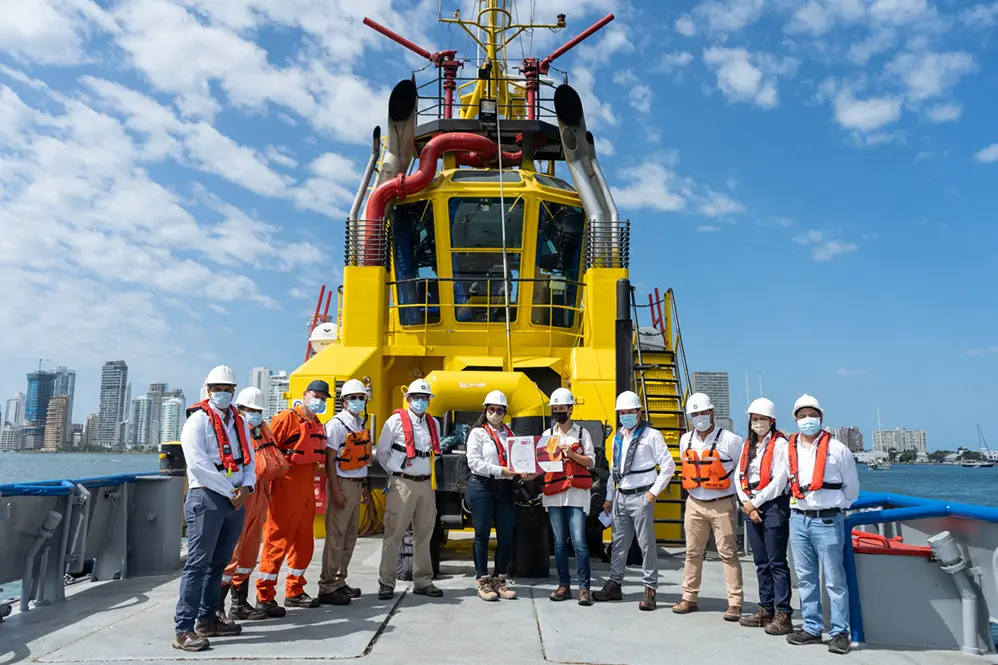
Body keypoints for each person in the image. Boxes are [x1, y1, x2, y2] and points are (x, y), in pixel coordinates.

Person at [173, 366, 255, 652]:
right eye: (216, 388)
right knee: (197, 564)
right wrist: (231, 491)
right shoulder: (197, 421)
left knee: (219, 564)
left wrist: (247, 488)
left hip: (235, 499)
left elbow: (250, 460)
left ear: (233, 391)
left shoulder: (241, 423)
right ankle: (184, 629)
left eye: (227, 388)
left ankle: (208, 620)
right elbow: (198, 464)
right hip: (206, 497)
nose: (222, 392)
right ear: (208, 390)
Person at [784, 394, 859, 655]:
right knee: (805, 578)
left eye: (811, 415)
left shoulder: (839, 450)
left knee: (834, 579)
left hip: (827, 520)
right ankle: (812, 628)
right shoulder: (788, 449)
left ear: (821, 418)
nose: (807, 420)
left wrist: (837, 507)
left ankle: (839, 632)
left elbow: (852, 489)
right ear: (795, 420)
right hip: (798, 520)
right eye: (802, 416)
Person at [593, 390, 676, 611]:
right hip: (621, 495)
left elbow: (668, 466)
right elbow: (614, 470)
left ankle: (649, 588)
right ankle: (614, 583)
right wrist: (610, 497)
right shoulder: (617, 438)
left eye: (630, 412)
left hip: (642, 494)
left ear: (639, 412)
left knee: (646, 544)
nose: (626, 416)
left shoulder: (652, 436)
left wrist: (653, 493)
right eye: (622, 412)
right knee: (619, 543)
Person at [255, 380, 331, 612]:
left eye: (323, 398)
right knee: (276, 542)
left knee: (304, 543)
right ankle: (265, 595)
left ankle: (295, 590)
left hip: (307, 489)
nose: (319, 400)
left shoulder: (317, 423)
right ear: (305, 395)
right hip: (285, 487)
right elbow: (267, 450)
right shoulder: (286, 418)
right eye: (316, 395)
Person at [672, 392, 745, 621]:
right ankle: (689, 597)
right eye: (695, 414)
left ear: (712, 413)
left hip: (721, 504)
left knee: (728, 553)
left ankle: (735, 603)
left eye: (703, 413)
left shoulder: (731, 440)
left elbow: (741, 472)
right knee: (692, 552)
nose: (699, 418)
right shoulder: (686, 440)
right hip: (694, 502)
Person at [221, 387, 289, 622]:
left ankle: (239, 605)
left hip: (260, 496)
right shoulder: (234, 432)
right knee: (232, 553)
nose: (256, 414)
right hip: (241, 497)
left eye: (258, 411)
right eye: (251, 410)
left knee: (249, 554)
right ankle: (216, 608)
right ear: (240, 409)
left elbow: (275, 465)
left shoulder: (262, 431)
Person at [375, 378, 444, 600]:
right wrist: (395, 474)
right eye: (416, 398)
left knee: (425, 534)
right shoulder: (394, 421)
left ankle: (423, 580)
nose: (421, 401)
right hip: (402, 482)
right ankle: (386, 583)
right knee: (394, 533)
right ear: (408, 399)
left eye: (424, 398)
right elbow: (383, 452)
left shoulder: (433, 423)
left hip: (425, 483)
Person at [735, 398, 793, 635]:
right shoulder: (747, 445)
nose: (758, 423)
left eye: (762, 419)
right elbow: (739, 476)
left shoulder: (781, 445)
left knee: (776, 562)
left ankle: (784, 614)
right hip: (751, 504)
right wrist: (747, 505)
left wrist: (754, 503)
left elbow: (780, 480)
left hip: (772, 506)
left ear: (772, 421)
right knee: (760, 562)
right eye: (754, 419)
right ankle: (765, 608)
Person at [317, 379, 373, 605]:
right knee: (335, 537)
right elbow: (330, 460)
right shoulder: (336, 424)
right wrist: (335, 490)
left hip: (357, 483)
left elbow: (364, 458)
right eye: (353, 398)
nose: (357, 401)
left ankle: (340, 581)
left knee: (350, 536)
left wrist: (366, 488)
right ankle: (327, 585)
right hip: (342, 483)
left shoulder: (361, 424)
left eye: (361, 398)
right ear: (344, 401)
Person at [540, 387, 595, 606]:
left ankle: (584, 588)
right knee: (559, 543)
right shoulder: (547, 436)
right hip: (554, 495)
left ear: (571, 409)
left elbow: (590, 462)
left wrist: (572, 454)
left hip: (577, 495)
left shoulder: (582, 434)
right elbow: (540, 465)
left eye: (561, 408)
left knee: (579, 542)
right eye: (555, 409)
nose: (558, 412)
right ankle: (564, 585)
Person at [464, 390, 518, 601]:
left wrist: (525, 471)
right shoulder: (478, 433)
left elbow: (517, 460)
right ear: (485, 410)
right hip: (481, 486)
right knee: (482, 534)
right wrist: (500, 470)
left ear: (505, 412)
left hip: (504, 488)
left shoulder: (510, 434)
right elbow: (474, 463)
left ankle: (499, 579)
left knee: (506, 535)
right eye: (492, 409)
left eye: (500, 410)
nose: (495, 413)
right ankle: (483, 580)